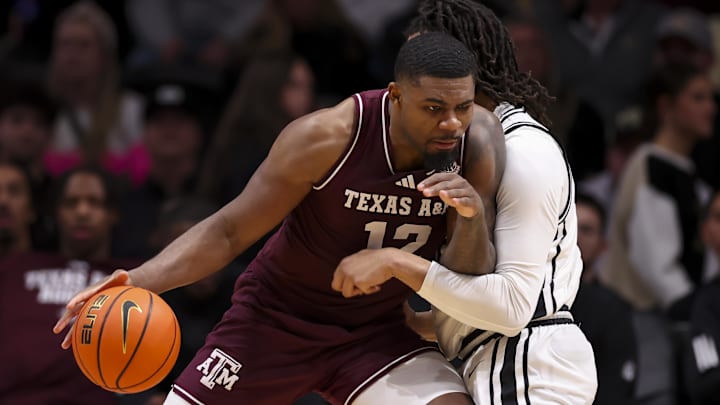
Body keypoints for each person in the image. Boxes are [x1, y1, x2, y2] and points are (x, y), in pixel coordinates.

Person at [54, 32, 506, 405]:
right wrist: (138, 279)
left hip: (375, 331)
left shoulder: (477, 142)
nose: (451, 124)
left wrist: (469, 216)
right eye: (433, 109)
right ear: (396, 97)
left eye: (462, 107)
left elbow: (475, 276)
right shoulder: (326, 138)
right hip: (275, 320)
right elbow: (229, 230)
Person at [332, 1, 597, 403]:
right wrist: (417, 321)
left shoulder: (525, 150)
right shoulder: (461, 152)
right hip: (497, 362)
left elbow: (510, 309)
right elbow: (482, 308)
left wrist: (395, 262)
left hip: (528, 367)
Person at [0, 165, 135, 404]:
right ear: (55, 212)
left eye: (94, 202)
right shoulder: (16, 266)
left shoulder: (133, 275)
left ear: (113, 214)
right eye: (71, 203)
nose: (82, 212)